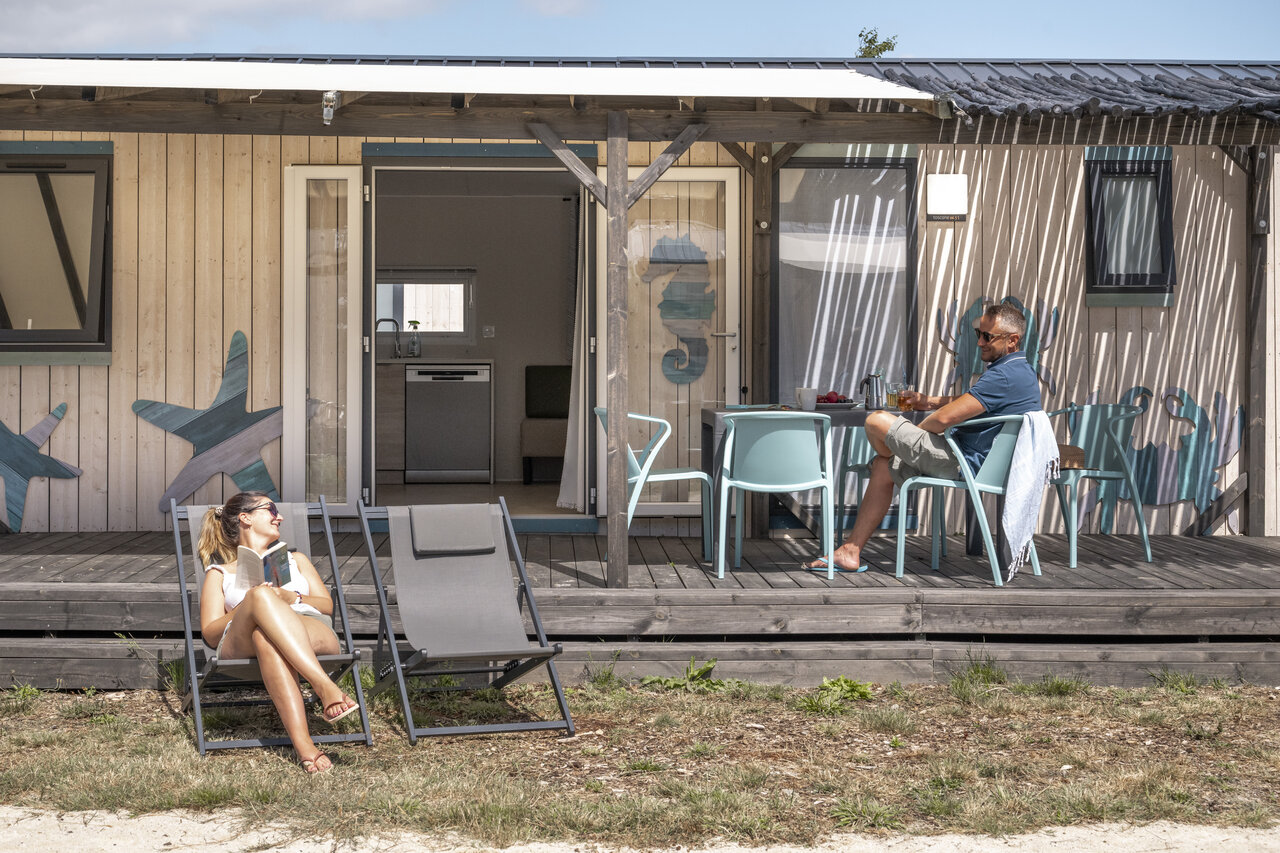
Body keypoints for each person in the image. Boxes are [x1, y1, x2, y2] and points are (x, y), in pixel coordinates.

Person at [809, 302, 1042, 573]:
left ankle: (892, 452)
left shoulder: (1002, 375)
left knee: (876, 420)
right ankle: (850, 551)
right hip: (978, 461)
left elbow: (945, 419)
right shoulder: (1020, 372)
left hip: (962, 462)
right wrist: (928, 402)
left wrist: (909, 437)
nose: (979, 342)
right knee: (883, 466)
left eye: (987, 336)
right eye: (979, 333)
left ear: (1012, 340)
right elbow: (969, 401)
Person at [198, 491, 359, 773]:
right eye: (271, 509)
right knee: (260, 601)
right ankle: (323, 686)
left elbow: (326, 606)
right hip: (239, 640)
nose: (279, 516)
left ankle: (304, 746)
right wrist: (251, 602)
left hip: (310, 628)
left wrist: (290, 597)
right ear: (245, 518)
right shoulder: (219, 573)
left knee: (266, 637)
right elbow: (211, 634)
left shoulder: (297, 560)